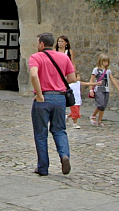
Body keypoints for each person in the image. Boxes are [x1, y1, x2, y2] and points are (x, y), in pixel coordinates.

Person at [29, 32, 76, 176]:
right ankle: (64, 155)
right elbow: (72, 78)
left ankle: (43, 168)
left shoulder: (36, 57)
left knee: (41, 133)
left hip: (43, 98)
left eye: (38, 42)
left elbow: (33, 74)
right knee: (59, 130)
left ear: (42, 44)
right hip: (60, 98)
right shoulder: (63, 57)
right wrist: (58, 83)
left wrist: (39, 93)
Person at [89, 53, 119, 127]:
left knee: (103, 106)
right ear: (100, 61)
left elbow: (112, 80)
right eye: (104, 61)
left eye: (107, 62)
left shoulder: (108, 71)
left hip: (106, 89)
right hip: (98, 89)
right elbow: (91, 80)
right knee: (100, 104)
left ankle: (99, 120)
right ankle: (93, 115)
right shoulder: (96, 70)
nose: (105, 63)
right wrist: (91, 90)